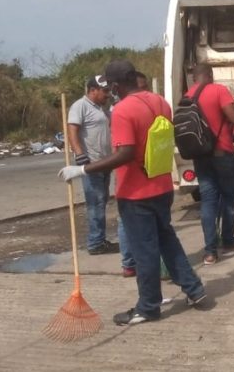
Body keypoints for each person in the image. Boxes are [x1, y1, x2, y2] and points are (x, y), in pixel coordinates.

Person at [59, 59, 209, 326]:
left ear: (116, 85)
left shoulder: (123, 111)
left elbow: (125, 153)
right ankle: (194, 289)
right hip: (162, 186)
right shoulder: (160, 102)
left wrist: (84, 170)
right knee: (167, 242)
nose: (111, 92)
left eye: (111, 86)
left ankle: (148, 307)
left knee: (145, 252)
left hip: (136, 192)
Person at [67, 75, 135, 276]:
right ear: (92, 89)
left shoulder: (102, 109)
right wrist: (80, 155)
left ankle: (100, 239)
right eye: (104, 91)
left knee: (102, 200)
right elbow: (72, 131)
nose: (107, 94)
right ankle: (95, 242)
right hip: (91, 164)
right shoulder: (80, 106)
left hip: (105, 162)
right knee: (95, 203)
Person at [184, 63, 234, 264]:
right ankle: (228, 241)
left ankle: (210, 252)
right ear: (210, 75)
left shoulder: (187, 97)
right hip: (222, 153)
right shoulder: (219, 90)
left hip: (200, 156)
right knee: (229, 198)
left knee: (208, 201)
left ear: (194, 77)